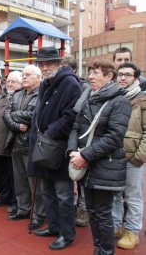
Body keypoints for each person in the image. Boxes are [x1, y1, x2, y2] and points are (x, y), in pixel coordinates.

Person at [68, 59, 131, 254]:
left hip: (105, 166)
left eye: (96, 73)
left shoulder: (119, 101)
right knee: (93, 212)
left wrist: (84, 155)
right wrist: (72, 151)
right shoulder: (89, 97)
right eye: (90, 72)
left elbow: (114, 137)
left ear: (109, 76)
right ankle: (98, 250)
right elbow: (76, 127)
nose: (90, 76)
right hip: (86, 163)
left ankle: (105, 251)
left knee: (102, 214)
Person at [29, 47, 82, 250]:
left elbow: (71, 116)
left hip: (59, 146)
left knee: (63, 194)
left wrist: (50, 131)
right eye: (41, 64)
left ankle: (66, 234)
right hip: (44, 145)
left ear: (58, 64)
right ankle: (53, 226)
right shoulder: (46, 83)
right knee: (48, 191)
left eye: (48, 63)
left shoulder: (70, 83)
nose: (44, 67)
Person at [4, 65, 45, 230]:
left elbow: (35, 115)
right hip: (16, 141)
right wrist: (16, 125)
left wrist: (15, 115)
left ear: (38, 77)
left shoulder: (43, 93)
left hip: (31, 144)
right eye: (23, 74)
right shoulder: (17, 94)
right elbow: (6, 114)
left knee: (35, 184)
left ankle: (38, 215)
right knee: (19, 180)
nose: (24, 77)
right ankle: (23, 209)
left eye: (28, 75)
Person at [112, 62, 146, 250]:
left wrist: (139, 157)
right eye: (120, 74)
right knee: (116, 194)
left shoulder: (142, 100)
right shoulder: (116, 98)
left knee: (132, 196)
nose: (122, 78)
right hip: (115, 155)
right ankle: (116, 226)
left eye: (127, 75)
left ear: (136, 78)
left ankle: (132, 231)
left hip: (133, 157)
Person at [61, 55, 90, 227]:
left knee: (80, 175)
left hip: (80, 137)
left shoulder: (83, 86)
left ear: (72, 70)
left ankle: (83, 208)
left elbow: (76, 110)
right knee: (68, 176)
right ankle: (72, 205)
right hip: (65, 138)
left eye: (64, 67)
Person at [0, 71, 22, 211]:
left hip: (9, 143)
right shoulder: (2, 98)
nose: (10, 84)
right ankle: (4, 196)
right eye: (8, 81)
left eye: (13, 81)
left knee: (12, 175)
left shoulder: (19, 98)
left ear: (20, 83)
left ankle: (14, 201)